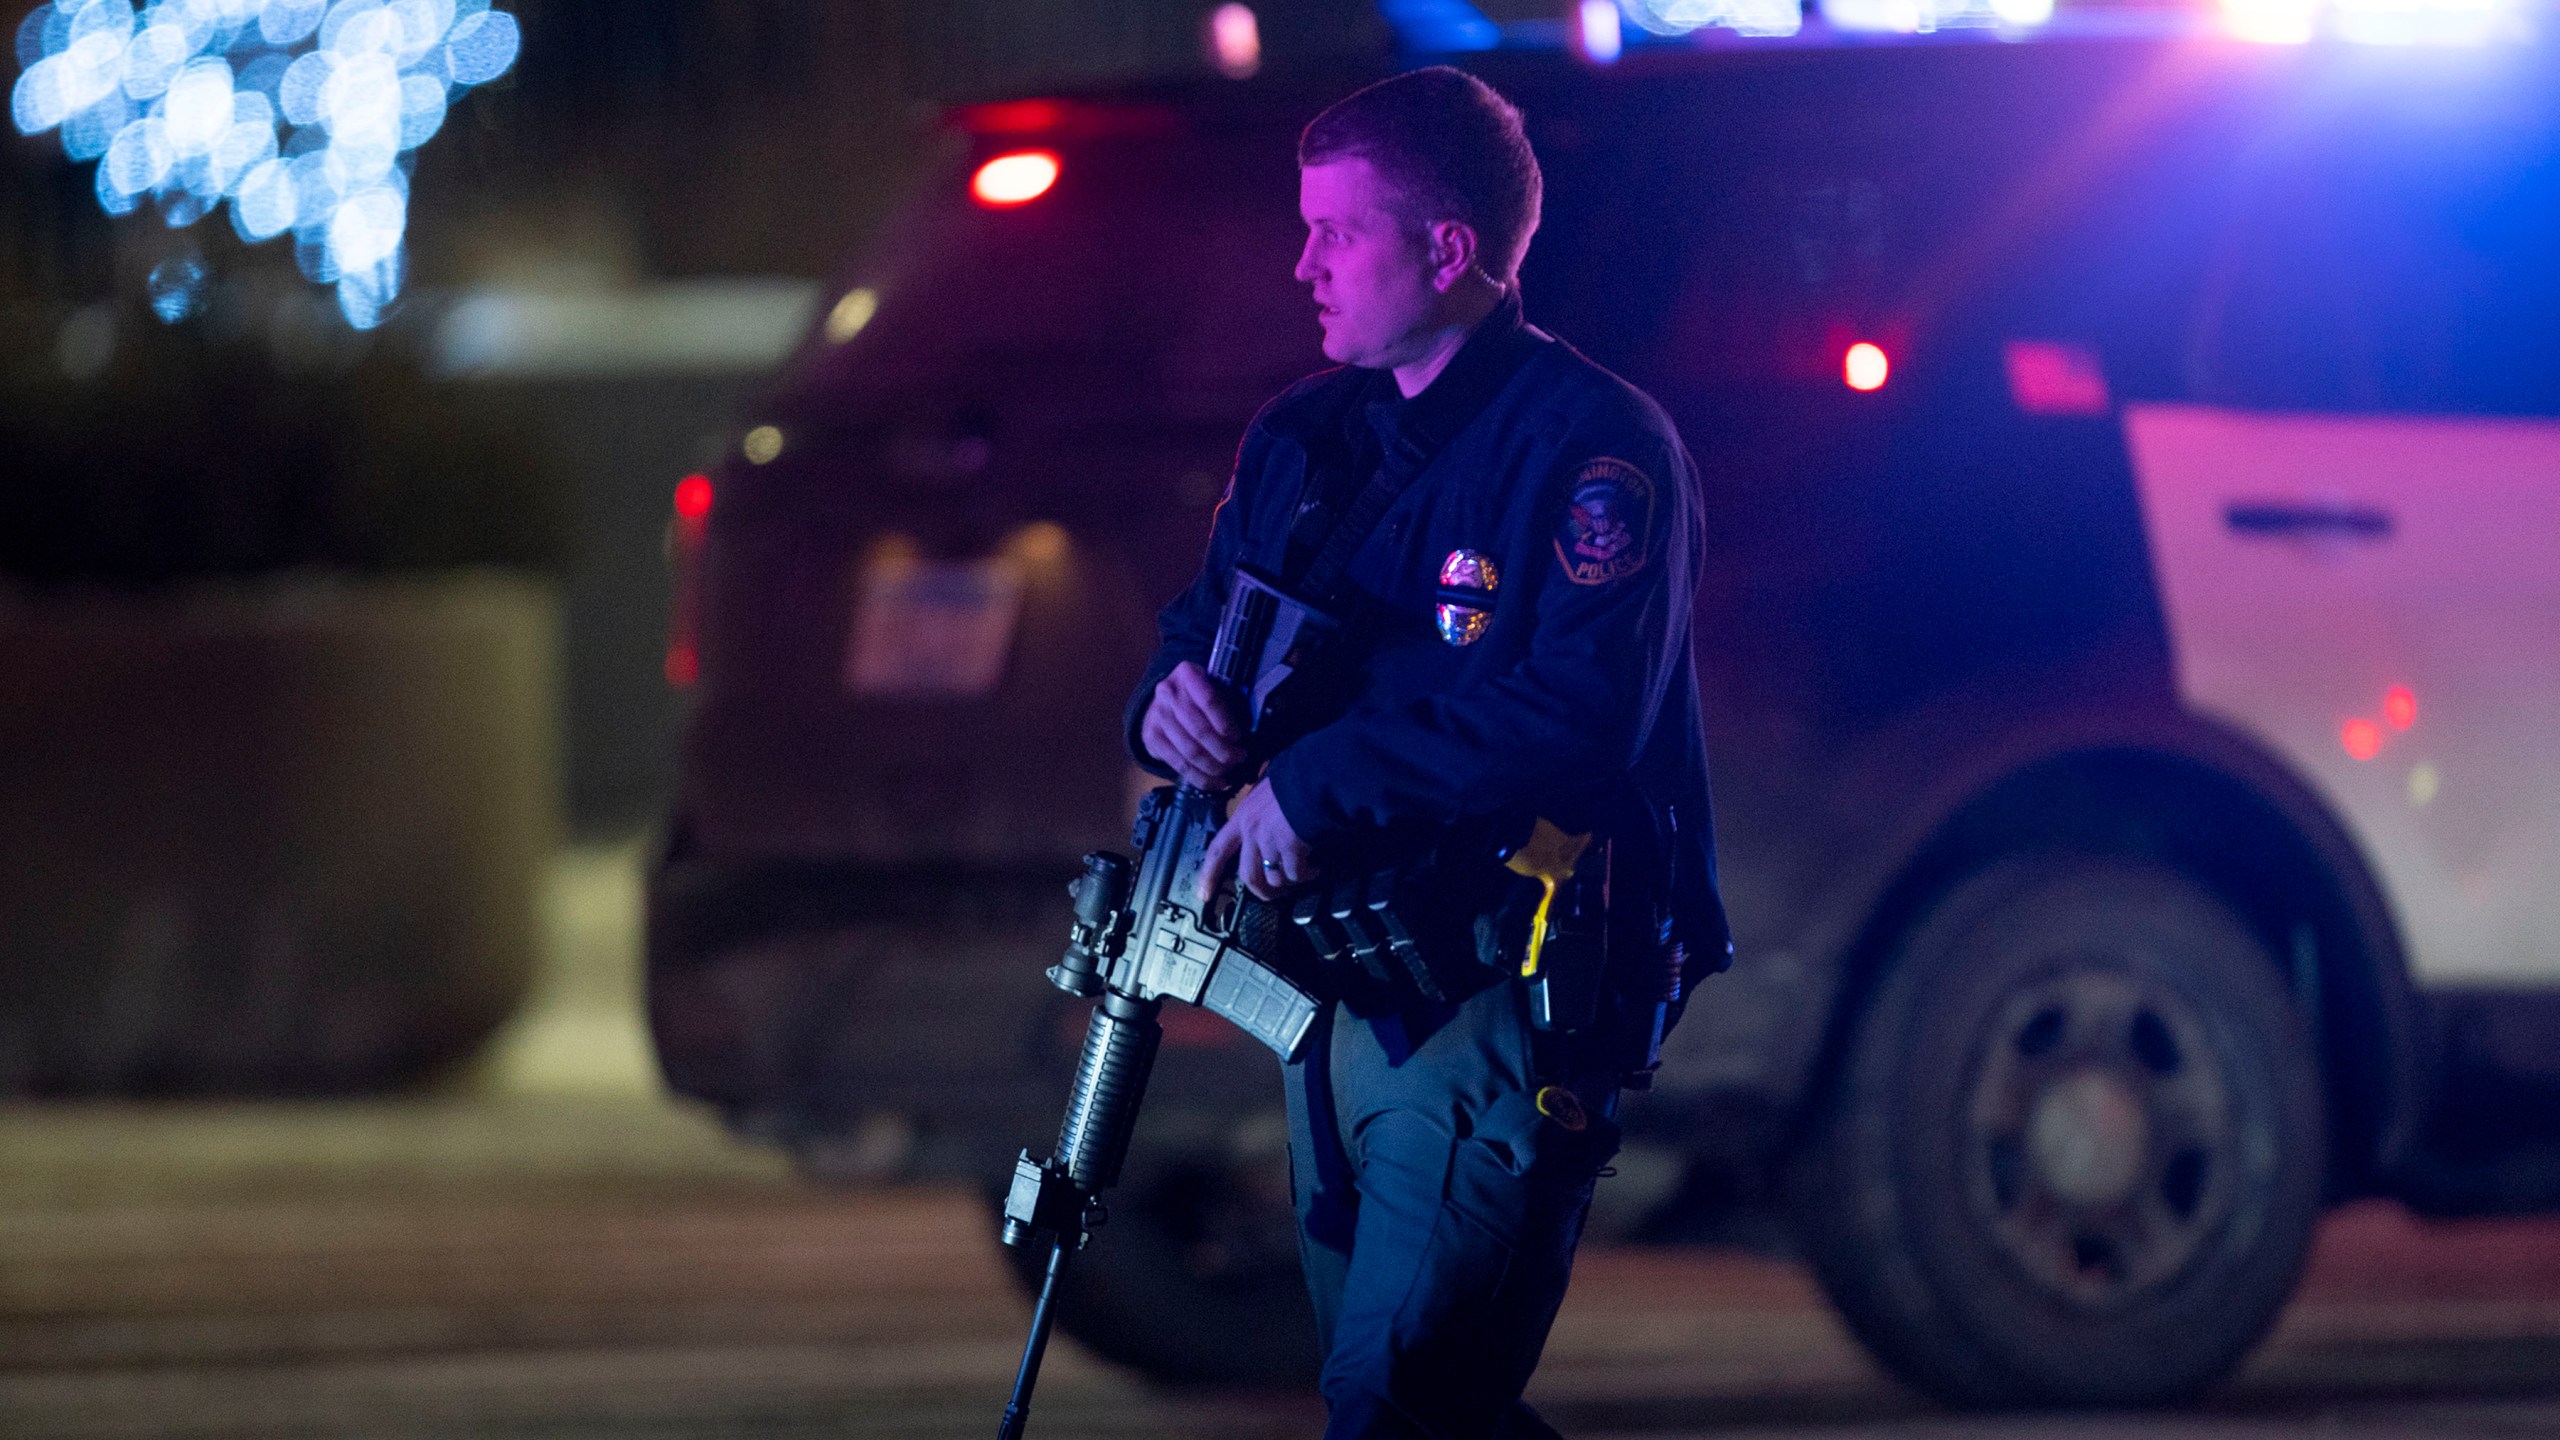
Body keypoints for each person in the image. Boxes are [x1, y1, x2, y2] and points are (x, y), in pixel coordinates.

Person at [1125, 66, 1728, 1439]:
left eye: (1339, 232)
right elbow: (1198, 632)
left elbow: (1580, 714)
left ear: (1447, 249)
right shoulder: (1306, 439)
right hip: (1328, 978)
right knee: (1419, 1398)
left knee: (1393, 1402)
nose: (1305, 265)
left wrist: (1316, 783)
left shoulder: (1594, 449)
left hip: (1494, 988)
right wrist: (1168, 704)